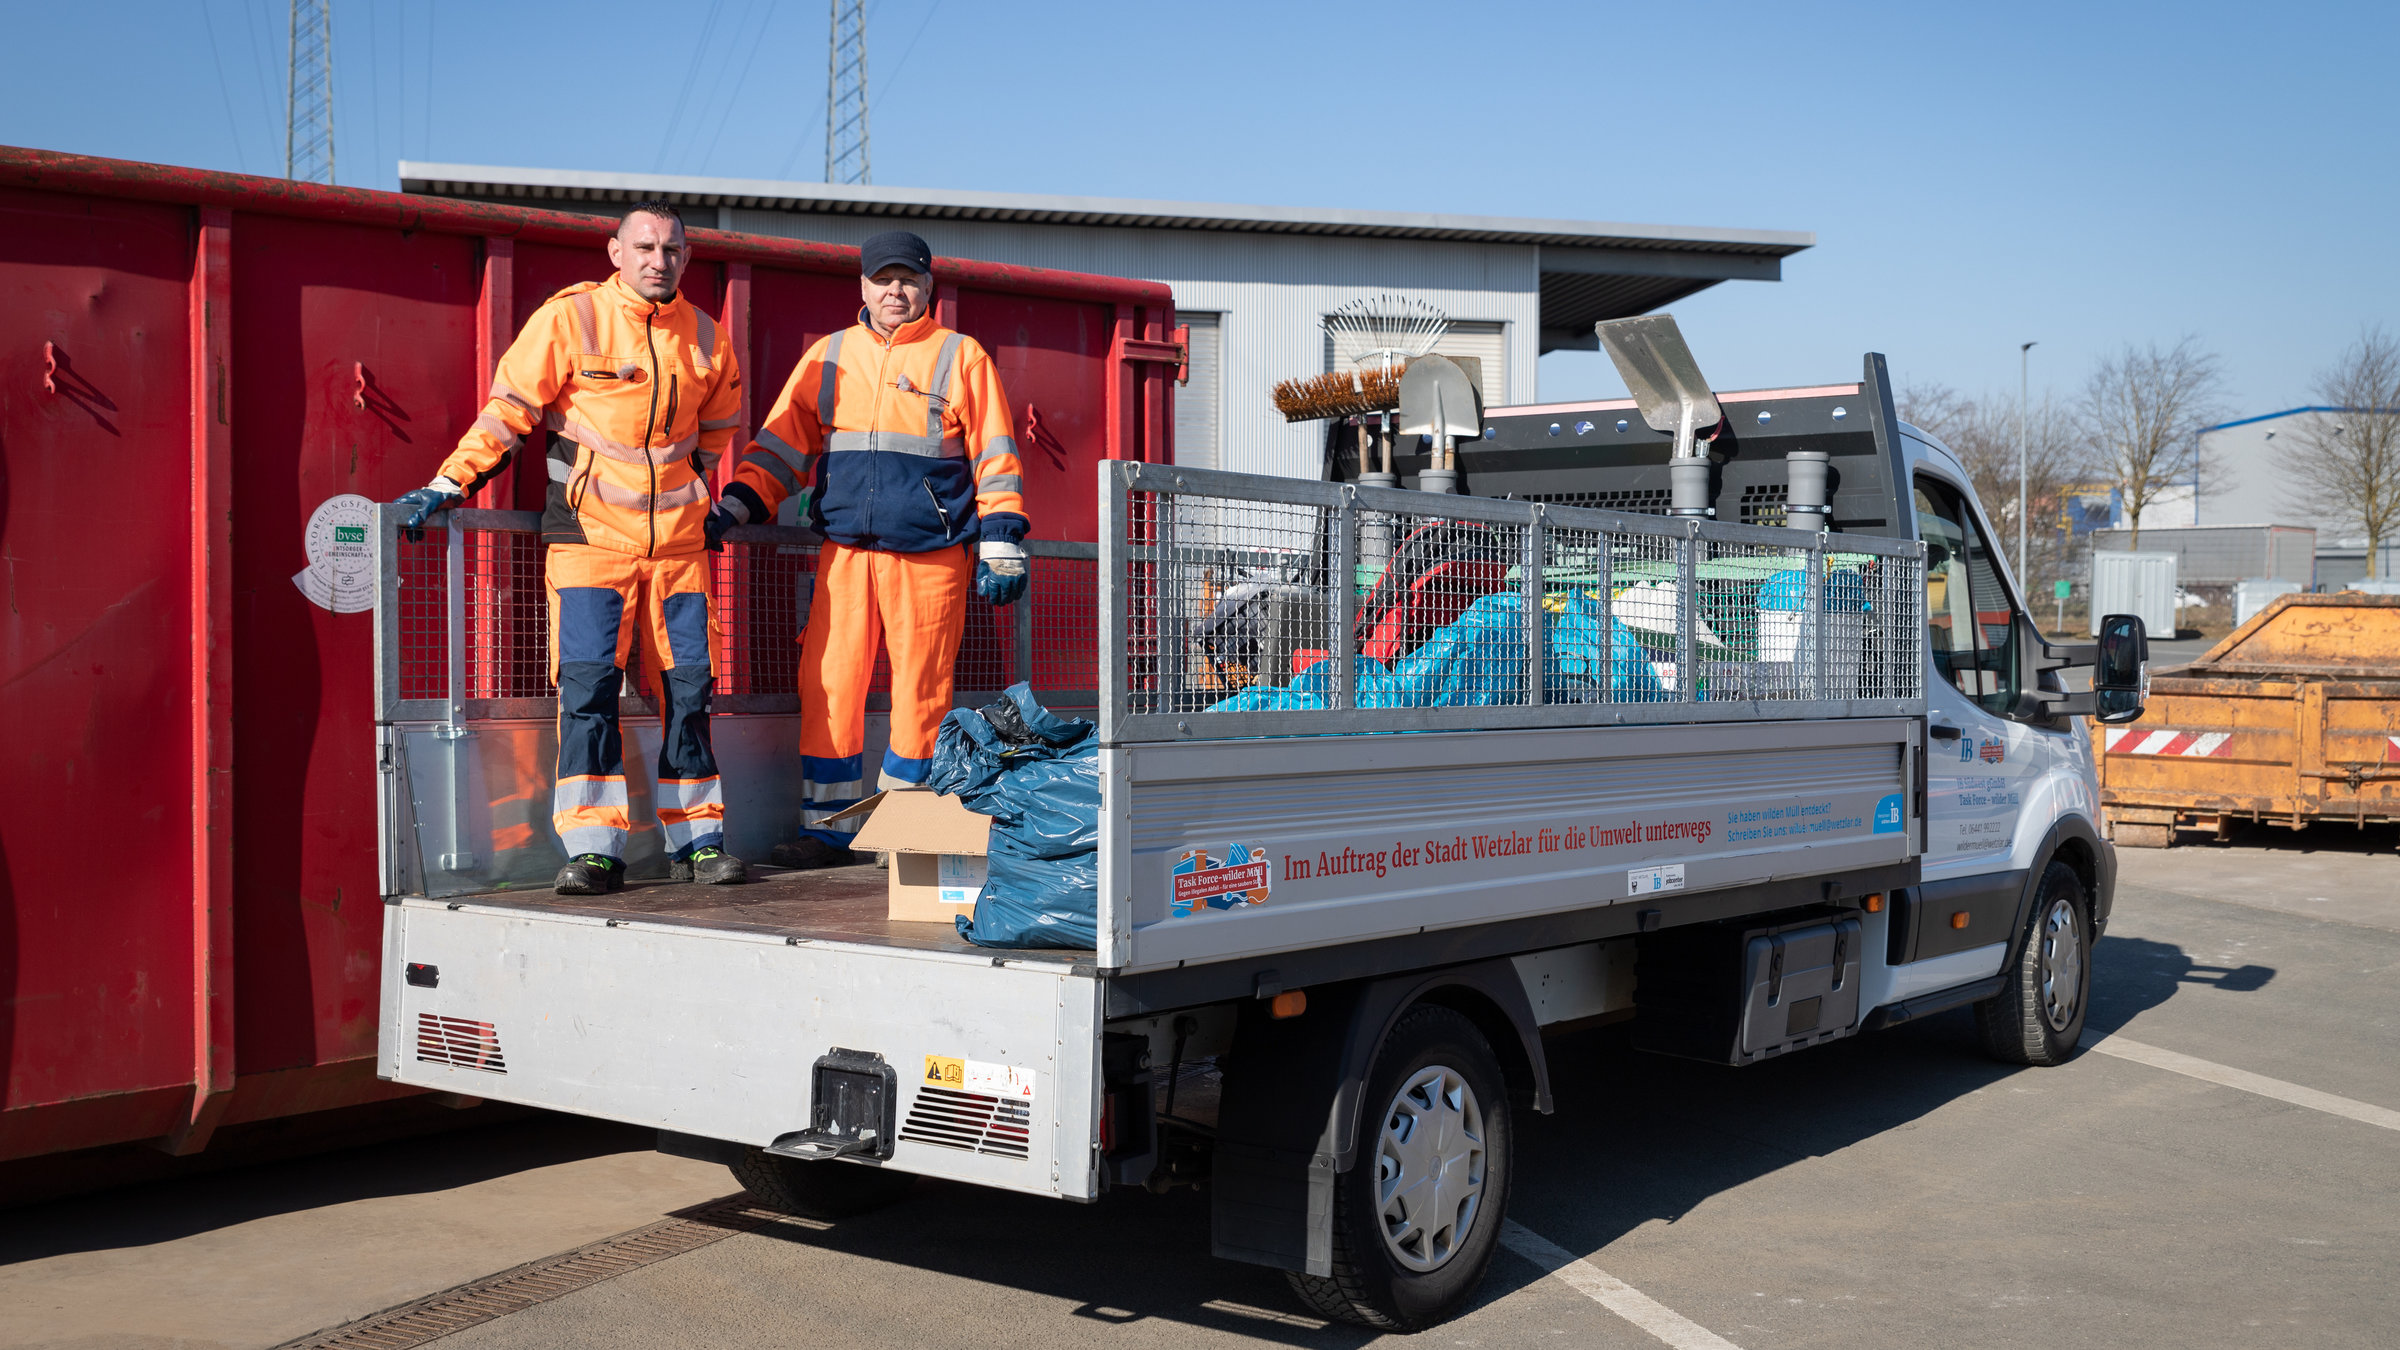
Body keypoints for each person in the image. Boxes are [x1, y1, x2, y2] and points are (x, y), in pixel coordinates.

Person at [392, 201, 749, 895]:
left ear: (687, 257)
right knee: (589, 693)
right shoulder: (570, 318)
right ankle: (593, 850)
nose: (658, 260)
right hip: (588, 545)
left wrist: (691, 499)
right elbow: (509, 413)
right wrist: (446, 484)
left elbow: (718, 430)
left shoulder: (707, 337)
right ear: (615, 252)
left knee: (691, 692)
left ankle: (700, 841)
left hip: (680, 552)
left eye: (672, 250)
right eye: (644, 247)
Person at [712, 230, 1029, 867]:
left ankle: (903, 835)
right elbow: (781, 447)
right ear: (861, 286)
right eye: (883, 279)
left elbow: (995, 454)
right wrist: (739, 503)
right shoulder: (830, 357)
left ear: (928, 287)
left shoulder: (959, 356)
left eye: (908, 280)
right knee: (828, 685)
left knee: (921, 692)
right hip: (845, 555)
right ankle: (829, 832)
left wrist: (1002, 538)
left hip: (932, 555)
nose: (895, 291)